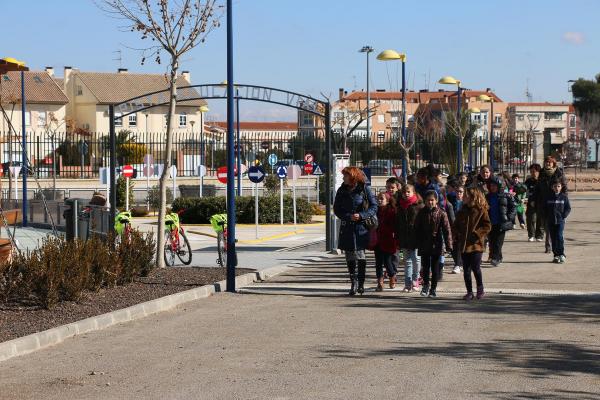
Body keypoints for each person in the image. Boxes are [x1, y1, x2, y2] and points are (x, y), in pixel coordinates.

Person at [334, 166, 378, 295]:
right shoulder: (341, 190)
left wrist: (362, 215)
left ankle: (361, 283)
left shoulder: (364, 189)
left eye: (346, 175)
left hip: (361, 227)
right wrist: (348, 216)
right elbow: (337, 209)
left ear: (352, 176)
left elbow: (374, 206)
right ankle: (353, 283)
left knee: (360, 255)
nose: (343, 178)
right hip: (347, 226)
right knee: (349, 255)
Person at [453, 187, 492, 300]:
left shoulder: (481, 210)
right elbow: (455, 225)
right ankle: (469, 292)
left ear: (473, 197)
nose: (463, 197)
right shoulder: (462, 211)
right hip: (464, 245)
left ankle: (480, 289)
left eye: (466, 195)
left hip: (476, 245)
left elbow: (487, 226)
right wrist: (456, 234)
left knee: (476, 268)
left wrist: (477, 234)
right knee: (466, 270)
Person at [414, 190, 452, 298]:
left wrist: (449, 245)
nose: (430, 202)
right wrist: (416, 241)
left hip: (437, 243)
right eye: (428, 200)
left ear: (436, 201)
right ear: (425, 201)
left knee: (435, 268)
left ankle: (433, 289)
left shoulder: (441, 213)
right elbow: (416, 228)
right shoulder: (421, 212)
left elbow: (447, 230)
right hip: (424, 242)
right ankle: (425, 285)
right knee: (425, 267)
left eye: (432, 200)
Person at [536, 156, 568, 253]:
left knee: (556, 227)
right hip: (545, 202)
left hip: (557, 202)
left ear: (553, 163)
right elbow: (538, 188)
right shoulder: (541, 173)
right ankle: (549, 245)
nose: (548, 163)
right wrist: (534, 199)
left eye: (550, 162)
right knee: (547, 226)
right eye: (546, 162)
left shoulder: (559, 173)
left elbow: (565, 187)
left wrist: (563, 198)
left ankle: (553, 246)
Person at [396, 184, 424, 292]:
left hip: (416, 238)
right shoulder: (400, 206)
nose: (406, 194)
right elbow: (397, 223)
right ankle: (407, 284)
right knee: (407, 261)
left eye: (408, 192)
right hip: (404, 238)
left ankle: (415, 280)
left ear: (413, 193)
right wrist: (398, 237)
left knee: (416, 260)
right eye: (404, 192)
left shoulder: (419, 205)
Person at [485, 177, 516, 266]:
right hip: (491, 223)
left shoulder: (506, 196)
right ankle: (499, 257)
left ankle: (496, 258)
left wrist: (509, 217)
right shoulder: (488, 196)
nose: (492, 187)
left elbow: (513, 207)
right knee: (492, 241)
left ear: (499, 186)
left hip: (501, 223)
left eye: (494, 185)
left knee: (498, 242)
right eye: (491, 185)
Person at [373, 192, 398, 290]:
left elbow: (394, 226)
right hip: (377, 240)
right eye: (378, 199)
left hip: (388, 239)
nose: (379, 201)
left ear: (387, 201)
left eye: (381, 199)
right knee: (378, 262)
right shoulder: (375, 211)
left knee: (388, 262)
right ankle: (380, 281)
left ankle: (392, 277)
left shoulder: (392, 211)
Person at [545, 180, 571, 264]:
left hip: (560, 221)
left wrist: (563, 216)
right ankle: (556, 255)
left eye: (558, 186)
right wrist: (547, 216)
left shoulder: (564, 197)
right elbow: (544, 208)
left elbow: (568, 208)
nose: (557, 188)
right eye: (555, 186)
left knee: (559, 236)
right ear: (552, 187)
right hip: (551, 221)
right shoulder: (548, 197)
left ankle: (561, 254)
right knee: (553, 238)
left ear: (561, 187)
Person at [448, 185, 465, 274]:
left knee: (458, 246)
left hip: (462, 228)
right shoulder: (452, 202)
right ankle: (459, 263)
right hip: (452, 227)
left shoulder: (466, 203)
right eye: (457, 191)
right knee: (452, 247)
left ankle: (457, 264)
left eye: (461, 192)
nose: (459, 193)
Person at [525, 163, 543, 242]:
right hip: (531, 203)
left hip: (541, 203)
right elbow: (525, 191)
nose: (533, 173)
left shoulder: (542, 181)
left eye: (534, 171)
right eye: (531, 172)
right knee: (530, 219)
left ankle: (539, 235)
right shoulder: (528, 181)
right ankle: (531, 235)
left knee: (540, 219)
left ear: (539, 172)